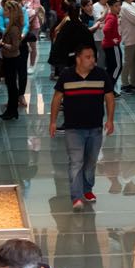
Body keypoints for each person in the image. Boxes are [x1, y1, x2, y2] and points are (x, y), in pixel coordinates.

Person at [50, 44, 116, 209]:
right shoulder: (67, 75)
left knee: (91, 162)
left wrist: (110, 119)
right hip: (73, 128)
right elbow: (57, 99)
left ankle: (87, 189)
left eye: (93, 56)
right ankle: (76, 197)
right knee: (76, 161)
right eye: (88, 57)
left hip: (95, 128)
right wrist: (52, 121)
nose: (93, 60)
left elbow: (109, 98)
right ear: (78, 59)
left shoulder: (101, 75)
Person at [101, 0, 122, 89]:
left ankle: (108, 87)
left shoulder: (112, 16)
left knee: (111, 67)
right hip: (112, 46)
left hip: (109, 45)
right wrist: (112, 39)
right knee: (118, 66)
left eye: (119, 5)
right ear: (111, 7)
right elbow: (105, 30)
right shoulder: (112, 18)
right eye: (116, 6)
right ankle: (110, 87)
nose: (119, 7)